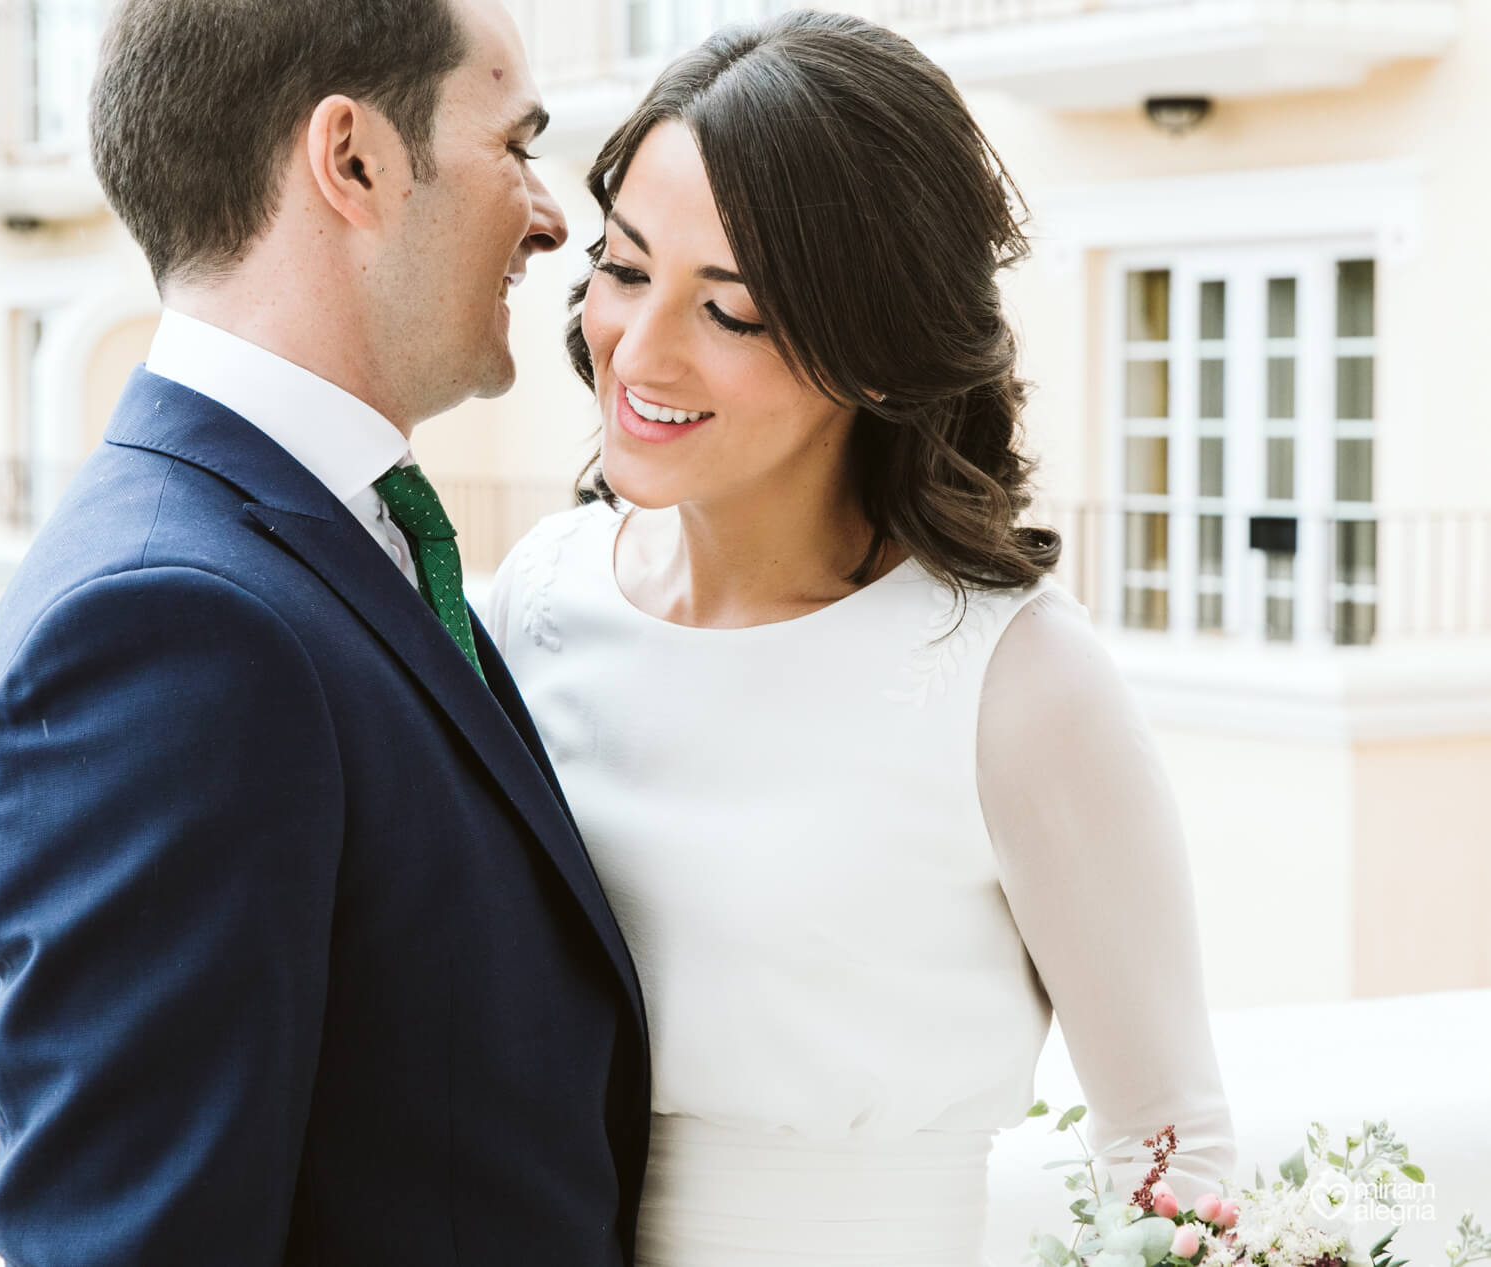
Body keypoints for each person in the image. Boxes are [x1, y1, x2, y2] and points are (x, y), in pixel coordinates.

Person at [485, 11, 1235, 1266]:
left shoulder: (1015, 681)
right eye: (624, 269)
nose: (643, 350)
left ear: (876, 352)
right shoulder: (537, 600)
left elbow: (1168, 1140)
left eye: (730, 310)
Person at [0, 1, 649, 1263]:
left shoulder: (324, 547)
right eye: (515, 146)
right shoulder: (167, 629)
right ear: (354, 161)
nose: (551, 218)